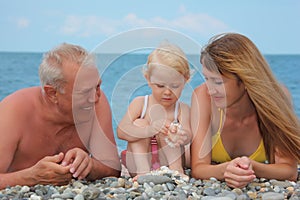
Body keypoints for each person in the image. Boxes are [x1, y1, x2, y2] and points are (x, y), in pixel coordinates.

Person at [0, 43, 121, 189]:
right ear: (52, 93)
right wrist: (30, 177)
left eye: (97, 86)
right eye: (83, 92)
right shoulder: (14, 110)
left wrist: (89, 166)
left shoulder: (96, 102)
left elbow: (112, 168)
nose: (95, 98)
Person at [190, 33, 300, 188]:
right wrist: (226, 170)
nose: (210, 90)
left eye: (217, 82)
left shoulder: (277, 97)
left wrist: (251, 167)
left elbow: (289, 170)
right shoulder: (202, 96)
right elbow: (199, 168)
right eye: (206, 78)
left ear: (245, 79)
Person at [117, 42, 192, 177]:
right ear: (148, 79)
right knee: (139, 124)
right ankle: (143, 172)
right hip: (138, 162)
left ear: (185, 80)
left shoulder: (182, 109)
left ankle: (176, 170)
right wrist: (149, 130)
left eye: (175, 86)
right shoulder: (140, 103)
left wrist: (179, 134)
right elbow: (121, 131)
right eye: (160, 85)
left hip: (167, 163)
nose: (167, 92)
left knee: (172, 128)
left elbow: (188, 135)